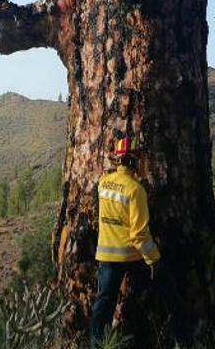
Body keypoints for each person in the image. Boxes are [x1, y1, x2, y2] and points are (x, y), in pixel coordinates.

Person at [90, 137, 189, 348]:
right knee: (167, 286)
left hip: (106, 256)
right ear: (135, 160)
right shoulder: (135, 190)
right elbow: (139, 234)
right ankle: (183, 336)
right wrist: (154, 261)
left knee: (103, 306)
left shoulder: (103, 183)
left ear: (119, 160)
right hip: (131, 255)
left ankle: (96, 345)